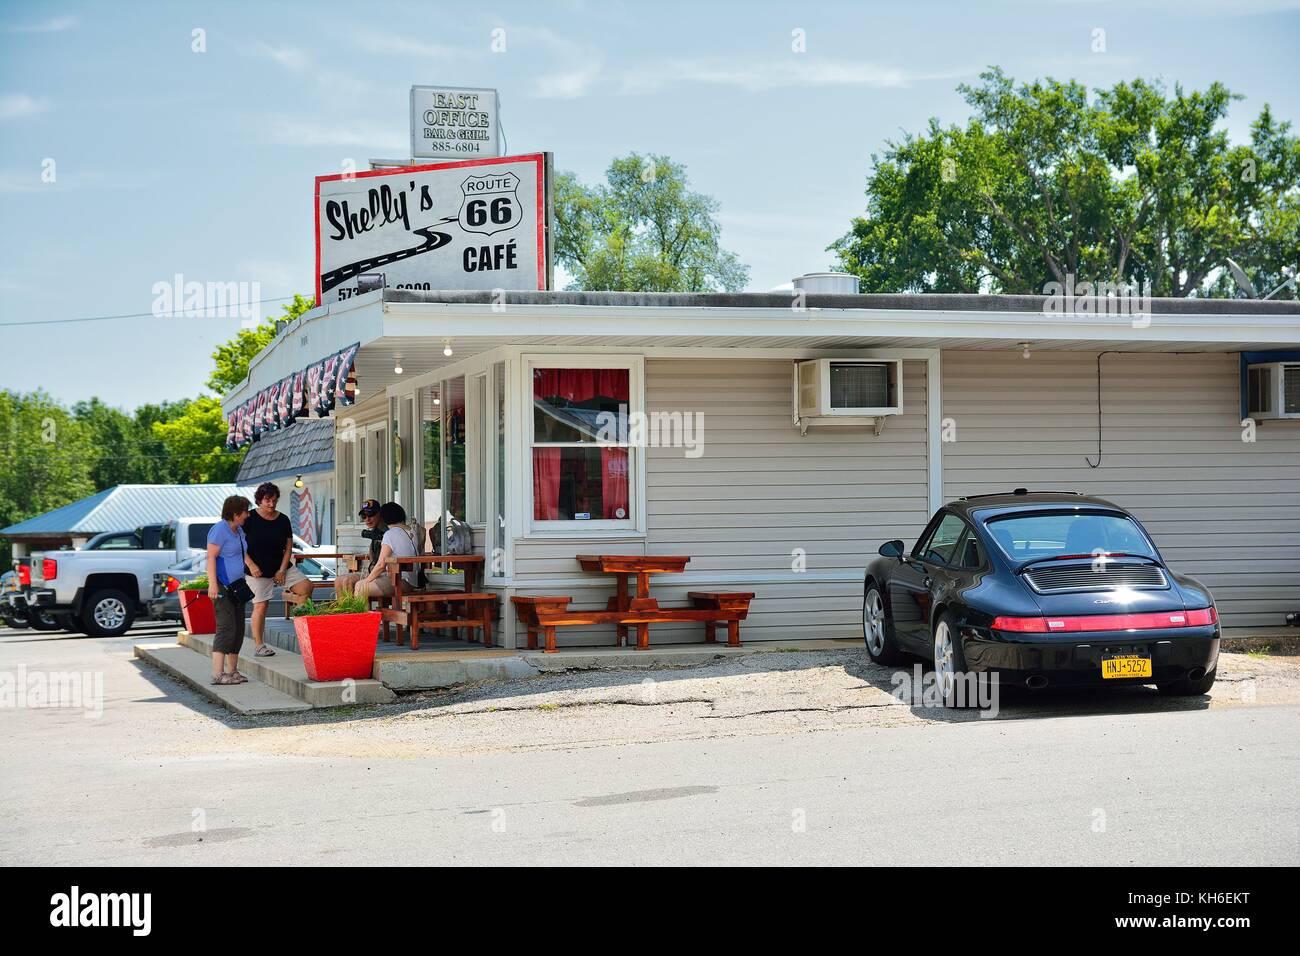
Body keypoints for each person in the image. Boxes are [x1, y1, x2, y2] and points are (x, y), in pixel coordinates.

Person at [243, 481, 313, 656]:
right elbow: (239, 546)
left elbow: (288, 547)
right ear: (259, 500)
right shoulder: (249, 519)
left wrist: (282, 570)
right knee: (261, 605)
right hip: (256, 570)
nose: (271, 504)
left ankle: (301, 629)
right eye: (267, 500)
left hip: (280, 567)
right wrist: (251, 565)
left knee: (306, 587)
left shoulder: (283, 520)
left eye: (274, 500)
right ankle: (259, 645)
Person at [207, 495, 251, 685]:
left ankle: (232, 671)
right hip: (223, 586)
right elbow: (211, 557)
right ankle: (217, 674)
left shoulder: (239, 530)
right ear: (235, 514)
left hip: (238, 586)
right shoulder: (219, 530)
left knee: (238, 629)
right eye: (245, 512)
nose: (247, 515)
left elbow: (243, 553)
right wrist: (213, 584)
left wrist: (252, 565)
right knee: (226, 628)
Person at [354, 502, 419, 599]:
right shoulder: (411, 531)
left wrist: (367, 580)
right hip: (413, 580)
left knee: (361, 587)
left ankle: (364, 614)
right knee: (361, 585)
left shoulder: (390, 534)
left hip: (400, 581)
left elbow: (381, 565)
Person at [334, 499, 387, 598]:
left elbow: (382, 564)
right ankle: (345, 612)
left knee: (347, 581)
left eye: (370, 515)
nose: (367, 519)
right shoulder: (374, 531)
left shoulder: (386, 532)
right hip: (372, 571)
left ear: (379, 514)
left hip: (383, 573)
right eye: (364, 516)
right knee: (338, 581)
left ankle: (355, 612)